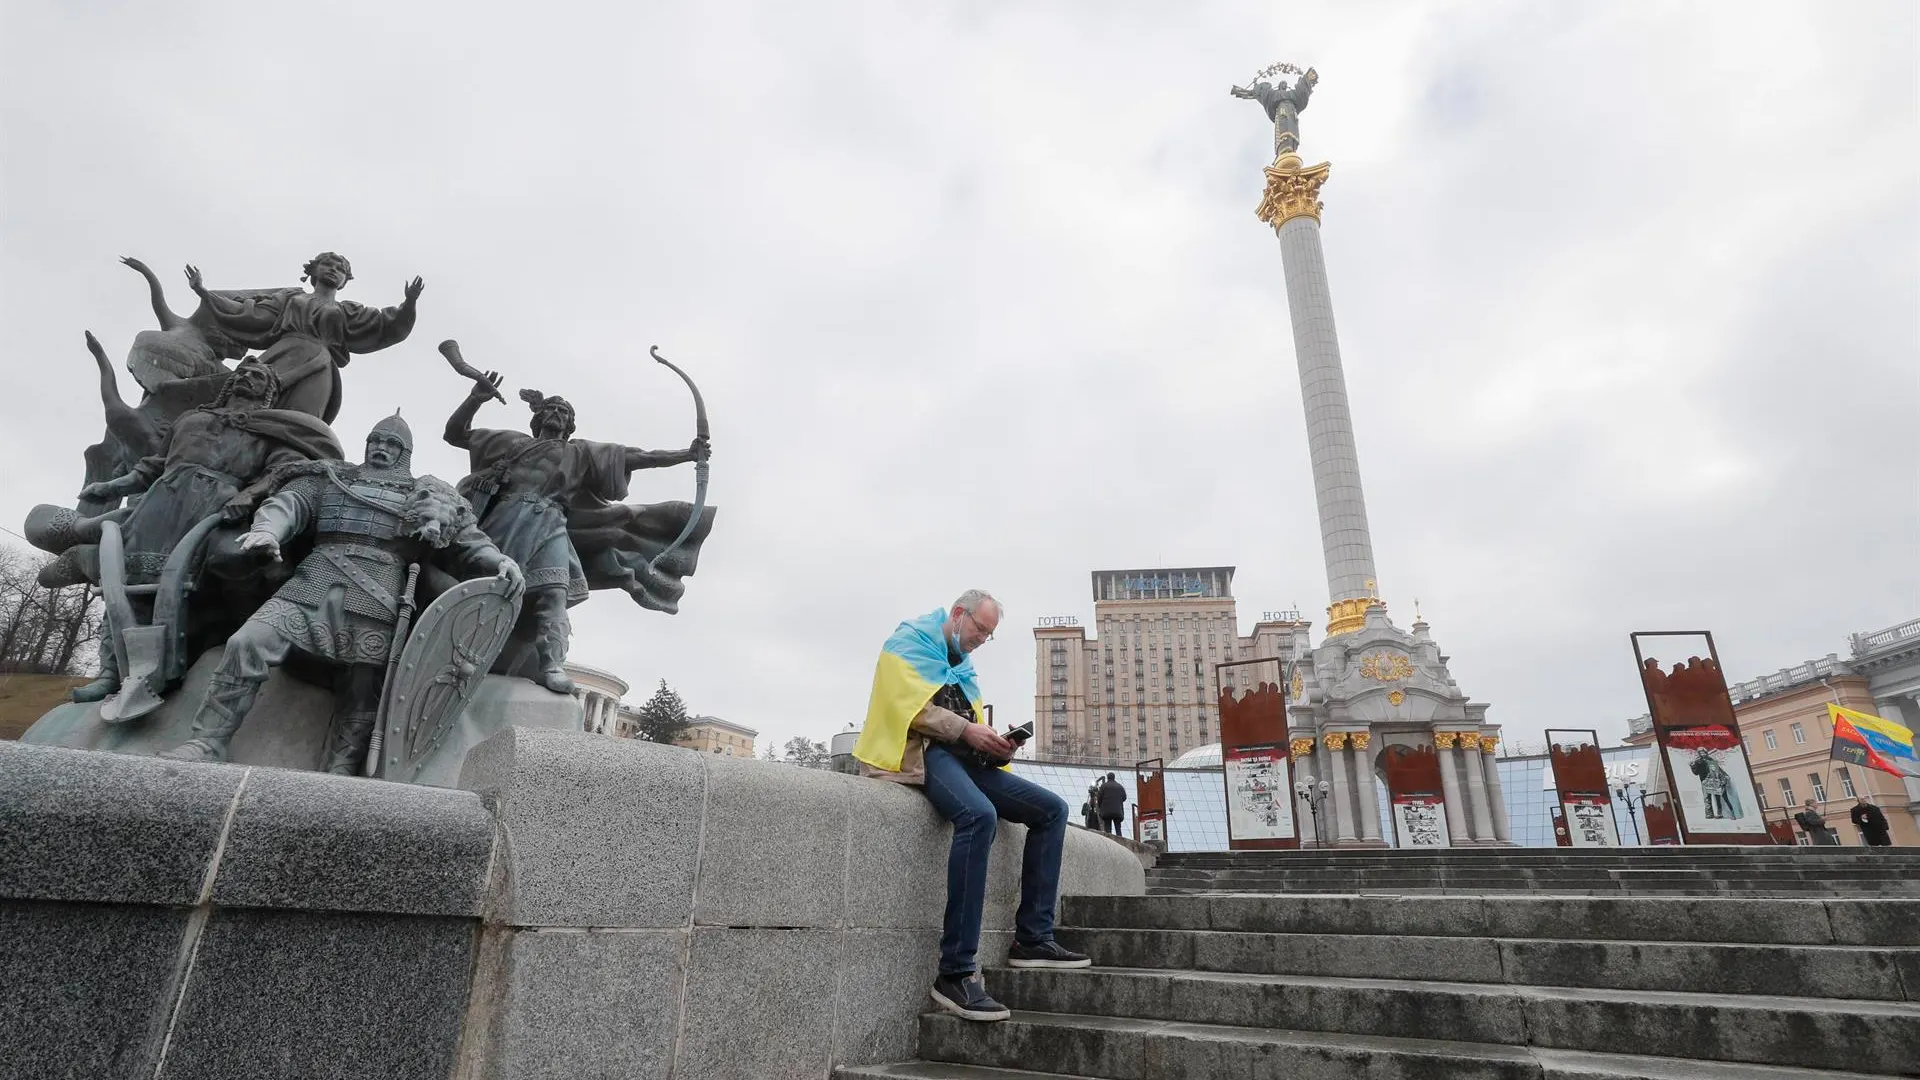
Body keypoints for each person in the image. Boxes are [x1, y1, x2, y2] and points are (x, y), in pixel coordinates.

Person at [160, 413, 523, 773]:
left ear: (406, 452)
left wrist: (498, 560)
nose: (381, 448)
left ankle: (342, 768)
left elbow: (467, 541)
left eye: (391, 444)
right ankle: (207, 741)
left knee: (364, 689)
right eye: (375, 440)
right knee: (247, 643)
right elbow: (288, 505)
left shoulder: (426, 494)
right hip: (312, 581)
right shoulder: (331, 477)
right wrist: (269, 530)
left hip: (379, 595)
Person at [853, 589, 1092, 1023]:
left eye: (989, 634)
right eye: (980, 629)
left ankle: (1033, 938)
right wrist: (968, 731)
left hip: (963, 759)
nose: (982, 639)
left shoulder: (962, 667)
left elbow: (970, 728)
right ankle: (956, 972)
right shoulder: (907, 643)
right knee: (978, 816)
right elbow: (912, 711)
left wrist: (996, 745)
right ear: (959, 614)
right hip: (923, 753)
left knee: (1053, 810)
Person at [445, 371, 711, 694]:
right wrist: (476, 398)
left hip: (550, 523)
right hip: (504, 520)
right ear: (538, 417)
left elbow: (641, 457)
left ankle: (552, 664)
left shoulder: (580, 453)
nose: (557, 414)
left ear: (570, 425)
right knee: (489, 590)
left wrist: (686, 454)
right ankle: (461, 651)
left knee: (554, 592)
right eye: (552, 409)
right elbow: (455, 434)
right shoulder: (511, 444)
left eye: (564, 412)